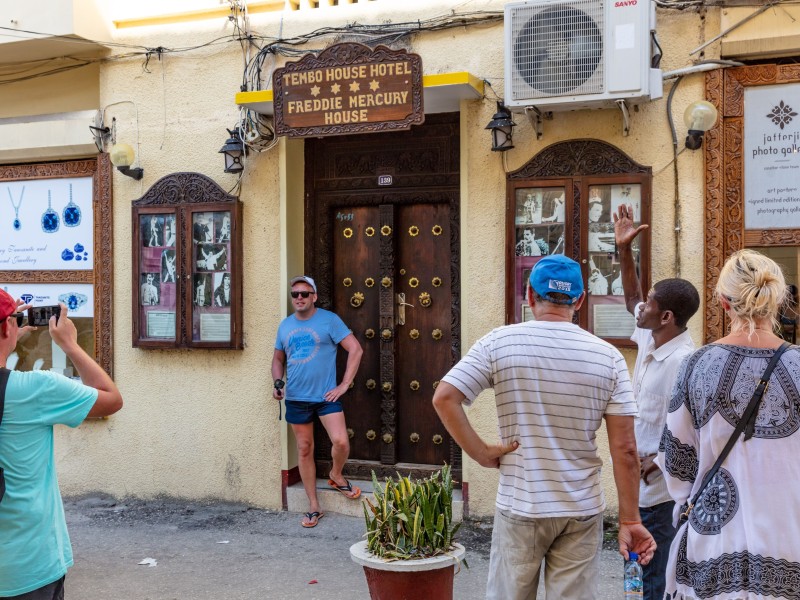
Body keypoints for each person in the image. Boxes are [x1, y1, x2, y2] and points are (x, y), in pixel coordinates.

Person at [432, 255, 655, 600]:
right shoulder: (607, 356)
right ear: (580, 301)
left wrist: (481, 453)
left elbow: (445, 397)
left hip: (523, 503)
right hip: (581, 507)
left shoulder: (499, 342)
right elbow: (625, 449)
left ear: (530, 296)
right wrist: (629, 519)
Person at [658, 249, 800, 600]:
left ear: (723, 302)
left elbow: (677, 464)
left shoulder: (696, 366)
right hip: (791, 537)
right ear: (777, 300)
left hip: (714, 542)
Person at [0, 290, 123, 598]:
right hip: (27, 566)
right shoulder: (34, 389)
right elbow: (110, 399)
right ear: (6, 328)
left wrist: (11, 330)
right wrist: (69, 344)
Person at [614, 204, 700, 600]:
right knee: (635, 572)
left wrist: (659, 458)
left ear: (666, 316)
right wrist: (624, 251)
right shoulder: (652, 336)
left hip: (661, 495)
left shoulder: (686, 361)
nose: (640, 306)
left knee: (654, 578)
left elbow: (693, 424)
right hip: (636, 489)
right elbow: (631, 293)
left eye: (648, 304)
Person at [272, 276, 363, 529]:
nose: (299, 298)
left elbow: (355, 349)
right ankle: (314, 505)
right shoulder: (285, 326)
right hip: (297, 398)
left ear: (314, 297)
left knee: (341, 442)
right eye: (295, 294)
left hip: (325, 397)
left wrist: (344, 385)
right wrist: (278, 383)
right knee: (304, 449)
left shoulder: (329, 320)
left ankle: (335, 474)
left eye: (304, 293)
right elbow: (278, 360)